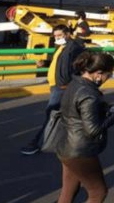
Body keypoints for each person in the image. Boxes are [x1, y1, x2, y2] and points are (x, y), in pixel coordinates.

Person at [52, 51, 114, 203]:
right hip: (81, 151)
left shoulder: (75, 84)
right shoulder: (88, 94)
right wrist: (113, 115)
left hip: (65, 146)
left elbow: (77, 112)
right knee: (98, 192)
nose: (109, 77)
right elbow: (93, 130)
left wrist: (102, 107)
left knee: (68, 191)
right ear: (98, 73)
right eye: (108, 74)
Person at [21, 25, 85, 155]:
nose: (57, 38)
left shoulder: (75, 48)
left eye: (59, 35)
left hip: (61, 87)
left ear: (67, 34)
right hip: (55, 86)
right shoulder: (60, 47)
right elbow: (58, 63)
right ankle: (74, 142)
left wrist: (67, 83)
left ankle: (36, 143)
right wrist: (45, 63)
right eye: (55, 36)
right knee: (64, 116)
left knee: (51, 115)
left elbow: (79, 68)